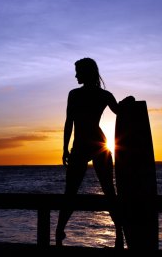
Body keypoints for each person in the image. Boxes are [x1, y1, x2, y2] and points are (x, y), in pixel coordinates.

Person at [55, 57, 134, 248]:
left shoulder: (77, 94)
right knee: (106, 191)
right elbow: (119, 110)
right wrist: (65, 148)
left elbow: (69, 123)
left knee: (76, 191)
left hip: (89, 145)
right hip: (97, 144)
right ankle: (117, 234)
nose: (75, 75)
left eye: (78, 71)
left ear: (86, 72)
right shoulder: (103, 95)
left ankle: (60, 231)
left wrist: (65, 148)